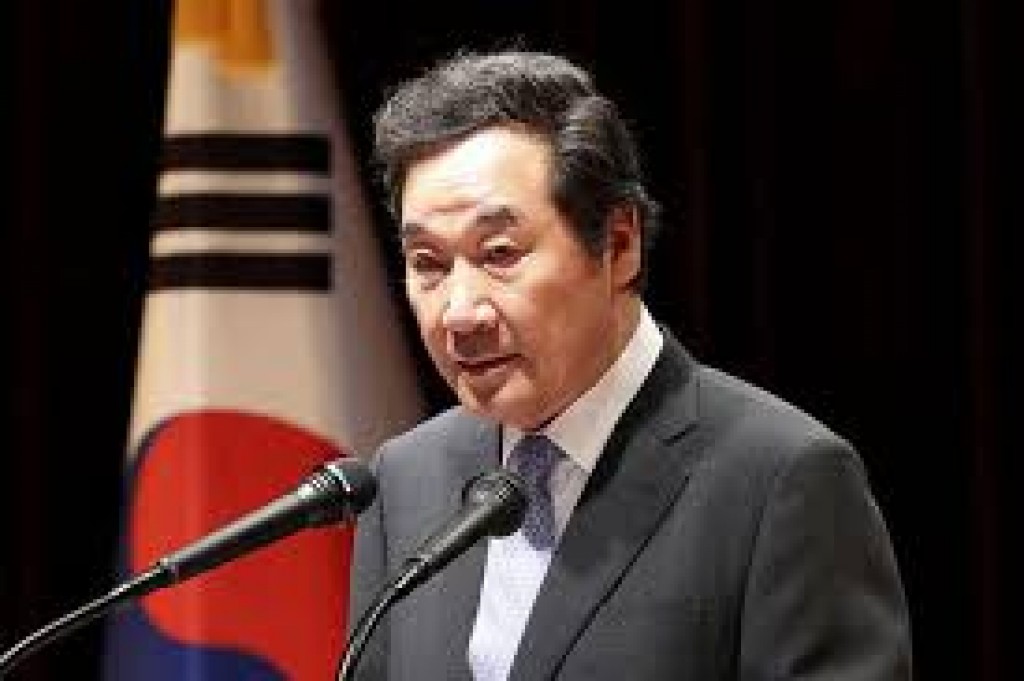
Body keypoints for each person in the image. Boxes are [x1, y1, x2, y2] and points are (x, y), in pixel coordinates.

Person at [348, 49, 912, 681]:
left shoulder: (781, 479)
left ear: (618, 245)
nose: (459, 312)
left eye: (500, 253)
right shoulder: (405, 480)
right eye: (428, 264)